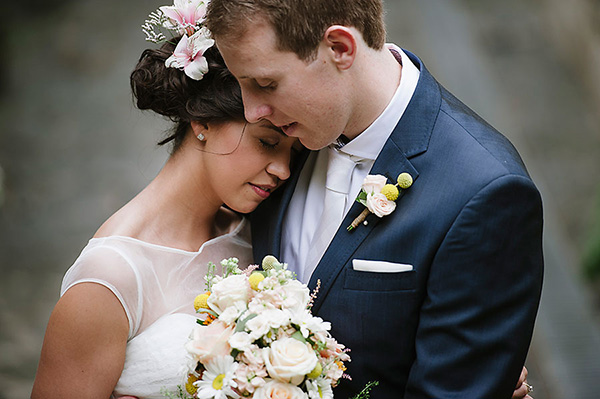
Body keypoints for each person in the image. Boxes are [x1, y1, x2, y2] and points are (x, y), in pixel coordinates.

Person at [205, 0, 543, 398]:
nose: (251, 110)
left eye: (266, 84)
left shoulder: (484, 193)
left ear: (340, 48)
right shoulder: (274, 143)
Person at [31, 32, 301, 398]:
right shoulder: (108, 279)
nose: (283, 169)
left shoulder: (257, 228)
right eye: (267, 142)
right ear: (202, 122)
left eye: (293, 152)